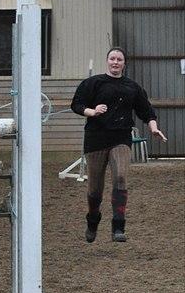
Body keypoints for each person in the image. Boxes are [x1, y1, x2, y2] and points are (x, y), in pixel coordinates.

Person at [70, 47, 166, 243]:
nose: (115, 62)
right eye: (112, 59)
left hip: (121, 138)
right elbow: (76, 104)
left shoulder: (132, 87)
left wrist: (153, 128)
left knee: (121, 177)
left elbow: (147, 111)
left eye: (119, 59)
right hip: (96, 138)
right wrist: (92, 111)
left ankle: (118, 226)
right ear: (107, 61)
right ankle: (93, 219)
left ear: (124, 63)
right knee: (95, 189)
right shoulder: (93, 83)